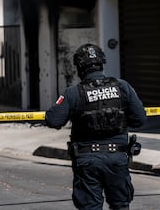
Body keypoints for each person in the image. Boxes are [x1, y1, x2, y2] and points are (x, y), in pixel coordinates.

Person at [45, 43, 147, 210]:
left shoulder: (73, 93)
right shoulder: (122, 87)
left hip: (87, 159)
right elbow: (140, 120)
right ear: (102, 63)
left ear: (79, 68)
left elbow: (53, 120)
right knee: (121, 206)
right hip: (117, 158)